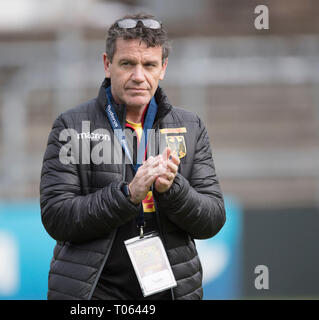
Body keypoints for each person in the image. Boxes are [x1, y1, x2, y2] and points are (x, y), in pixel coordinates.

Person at [39, 13, 226, 300]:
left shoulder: (190, 126)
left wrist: (173, 190)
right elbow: (57, 217)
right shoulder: (72, 126)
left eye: (149, 65)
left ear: (162, 68)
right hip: (91, 292)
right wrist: (128, 195)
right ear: (107, 65)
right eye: (127, 64)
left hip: (170, 290)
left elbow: (212, 219)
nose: (139, 76)